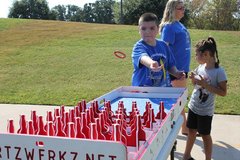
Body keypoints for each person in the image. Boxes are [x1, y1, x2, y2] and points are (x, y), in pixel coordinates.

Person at [183, 37, 227, 160]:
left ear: (206, 54)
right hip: (193, 106)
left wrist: (206, 85)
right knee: (191, 131)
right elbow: (196, 85)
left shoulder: (219, 72)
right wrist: (193, 79)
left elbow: (223, 92)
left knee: (205, 135)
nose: (195, 57)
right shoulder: (201, 67)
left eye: (197, 54)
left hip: (205, 112)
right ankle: (186, 156)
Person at [159, 0, 191, 135]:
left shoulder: (179, 25)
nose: (183, 10)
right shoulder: (169, 27)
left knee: (179, 99)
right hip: (176, 69)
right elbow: (163, 48)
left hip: (183, 67)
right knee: (180, 100)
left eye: (184, 7)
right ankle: (185, 128)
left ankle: (184, 127)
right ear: (172, 9)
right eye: (180, 8)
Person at [131, 12, 185, 87]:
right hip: (143, 91)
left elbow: (170, 65)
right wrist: (151, 63)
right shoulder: (139, 47)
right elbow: (143, 58)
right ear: (139, 30)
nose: (147, 31)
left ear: (158, 29)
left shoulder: (164, 45)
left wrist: (176, 73)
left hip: (163, 89)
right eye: (143, 28)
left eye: (152, 28)